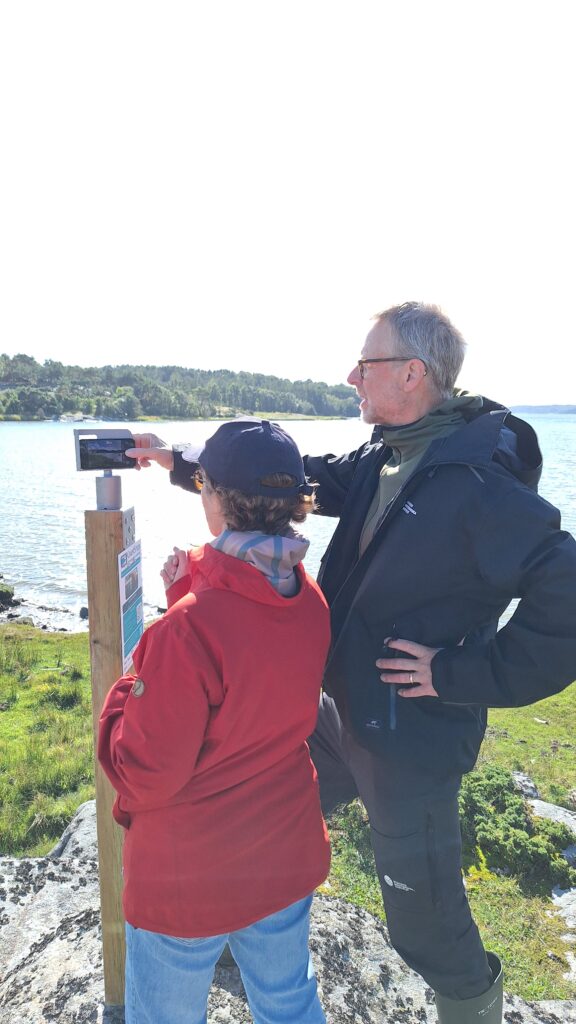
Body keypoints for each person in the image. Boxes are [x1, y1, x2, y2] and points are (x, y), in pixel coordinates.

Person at [128, 302, 576, 1024]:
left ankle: (476, 1008)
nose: (350, 377)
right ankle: (221, 931)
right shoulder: (387, 454)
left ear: (411, 372)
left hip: (410, 738)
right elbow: (285, 481)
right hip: (338, 713)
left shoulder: (480, 484)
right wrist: (184, 465)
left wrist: (460, 674)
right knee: (259, 809)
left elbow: (567, 588)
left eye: (364, 364)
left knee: (423, 925)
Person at [98, 418, 331, 1024]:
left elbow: (145, 772)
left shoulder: (188, 629)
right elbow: (245, 674)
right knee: (287, 1001)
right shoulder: (309, 600)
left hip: (189, 877)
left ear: (217, 498)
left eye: (202, 483)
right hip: (282, 853)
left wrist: (126, 688)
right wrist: (186, 603)